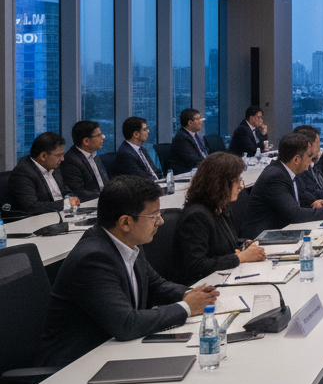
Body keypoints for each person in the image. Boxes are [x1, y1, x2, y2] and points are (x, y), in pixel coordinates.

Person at [40, 175, 219, 370]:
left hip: (113, 353)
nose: (160, 221)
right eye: (154, 215)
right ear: (125, 222)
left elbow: (155, 284)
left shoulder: (128, 243)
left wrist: (190, 294)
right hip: (74, 368)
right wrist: (186, 307)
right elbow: (126, 324)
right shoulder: (93, 259)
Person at [173, 152, 268, 284]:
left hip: (224, 278)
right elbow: (197, 265)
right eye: (236, 181)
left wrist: (245, 244)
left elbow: (226, 245)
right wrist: (239, 258)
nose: (241, 186)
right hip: (205, 287)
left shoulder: (220, 207)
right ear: (219, 183)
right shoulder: (196, 216)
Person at [241, 131, 323, 241]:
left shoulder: (289, 170)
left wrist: (314, 203)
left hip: (282, 231)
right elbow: (295, 214)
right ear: (297, 159)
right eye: (309, 156)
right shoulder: (275, 176)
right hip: (261, 239)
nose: (311, 159)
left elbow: (302, 194)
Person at [4, 132, 78, 219]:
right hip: (36, 221)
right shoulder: (23, 172)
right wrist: (66, 203)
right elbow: (31, 207)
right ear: (43, 156)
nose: (62, 159)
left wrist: (72, 198)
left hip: (60, 216)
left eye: (62, 155)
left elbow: (65, 189)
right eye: (59, 155)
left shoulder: (53, 166)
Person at [61, 120, 108, 201]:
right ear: (86, 141)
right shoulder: (71, 160)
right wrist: (106, 197)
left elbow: (105, 181)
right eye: (98, 135)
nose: (103, 137)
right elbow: (79, 192)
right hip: (89, 203)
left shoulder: (93, 154)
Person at [168, 107, 210, 174]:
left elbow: (203, 153)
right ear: (190, 122)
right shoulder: (182, 137)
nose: (201, 121)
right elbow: (194, 161)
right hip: (186, 173)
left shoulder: (194, 135)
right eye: (198, 119)